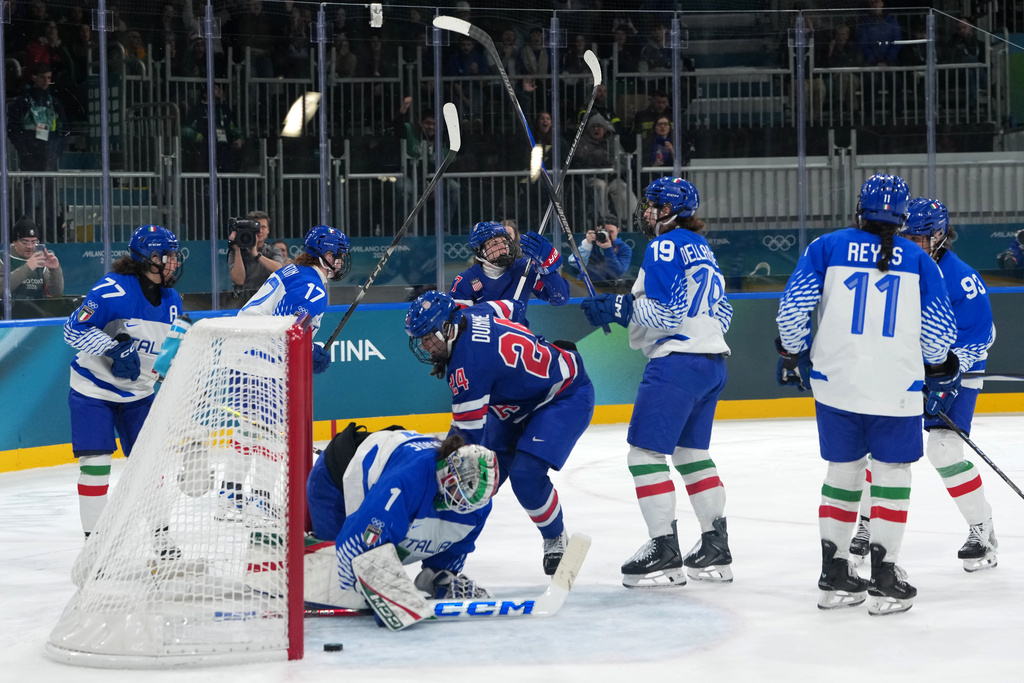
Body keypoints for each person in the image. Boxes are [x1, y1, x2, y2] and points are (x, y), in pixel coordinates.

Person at [775, 174, 958, 615]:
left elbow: (793, 309)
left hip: (835, 385)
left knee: (843, 472)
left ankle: (834, 575)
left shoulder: (827, 246)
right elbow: (938, 332)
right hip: (895, 387)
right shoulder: (919, 258)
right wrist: (939, 367)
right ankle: (885, 576)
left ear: (860, 207)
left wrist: (791, 352)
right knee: (892, 474)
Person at [579, 177, 734, 589]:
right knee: (690, 454)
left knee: (644, 456)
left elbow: (665, 316)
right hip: (712, 362)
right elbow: (725, 313)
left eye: (652, 205)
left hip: (677, 363)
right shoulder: (702, 248)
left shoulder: (665, 244)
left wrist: (619, 307)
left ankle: (664, 549)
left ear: (669, 211)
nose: (645, 212)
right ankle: (715, 546)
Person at [847, 198, 997, 572]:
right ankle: (868, 524)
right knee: (880, 450)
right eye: (906, 235)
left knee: (944, 451)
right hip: (908, 369)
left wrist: (946, 376)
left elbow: (980, 337)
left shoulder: (960, 277)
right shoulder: (898, 267)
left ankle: (984, 532)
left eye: (920, 237)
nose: (912, 243)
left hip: (958, 372)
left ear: (940, 235)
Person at [405, 290, 595, 575]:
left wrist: (432, 472)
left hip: (563, 394)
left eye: (430, 336)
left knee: (512, 476)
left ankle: (555, 537)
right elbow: (513, 307)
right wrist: (524, 355)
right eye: (421, 339)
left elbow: (464, 442)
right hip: (514, 405)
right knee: (474, 486)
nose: (426, 345)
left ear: (447, 327)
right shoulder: (474, 313)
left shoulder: (468, 367)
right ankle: (442, 565)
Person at [62, 225, 185, 541]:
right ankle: (95, 545)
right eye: (168, 256)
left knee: (151, 466)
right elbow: (72, 330)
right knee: (96, 463)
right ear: (149, 258)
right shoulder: (112, 289)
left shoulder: (172, 300)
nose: (174, 262)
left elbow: (168, 352)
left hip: (139, 395)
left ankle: (163, 540)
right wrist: (112, 347)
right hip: (93, 390)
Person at [303, 423, 499, 609]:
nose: (467, 504)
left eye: (476, 497)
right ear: (449, 474)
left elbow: (453, 550)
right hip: (335, 479)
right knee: (333, 589)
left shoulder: (478, 507)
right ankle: (301, 550)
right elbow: (357, 546)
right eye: (464, 490)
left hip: (393, 464)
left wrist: (440, 577)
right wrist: (384, 592)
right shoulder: (409, 481)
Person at [238, 224, 350, 376]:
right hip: (258, 364)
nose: (341, 263)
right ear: (328, 257)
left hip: (246, 355)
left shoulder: (296, 272)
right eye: (340, 257)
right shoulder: (312, 289)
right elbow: (287, 335)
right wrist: (311, 353)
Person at [449, 220, 569, 320]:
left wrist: (547, 269)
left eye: (504, 241)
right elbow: (459, 325)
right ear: (479, 250)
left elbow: (560, 299)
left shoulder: (524, 268)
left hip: (519, 342)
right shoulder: (466, 280)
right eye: (495, 243)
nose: (502, 246)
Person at [7, 63, 69, 231]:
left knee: (50, 197)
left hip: (49, 157)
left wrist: (56, 152)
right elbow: (13, 128)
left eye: (49, 78)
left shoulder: (54, 103)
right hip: (29, 156)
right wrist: (23, 151)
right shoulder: (23, 101)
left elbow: (64, 130)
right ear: (34, 77)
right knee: (29, 196)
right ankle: (27, 231)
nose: (46, 81)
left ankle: (49, 231)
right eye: (43, 77)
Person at [572, 113, 637, 224]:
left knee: (622, 187)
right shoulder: (582, 142)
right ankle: (603, 219)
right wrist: (595, 157)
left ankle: (630, 218)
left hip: (611, 177)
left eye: (599, 126)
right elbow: (579, 159)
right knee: (600, 186)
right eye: (593, 127)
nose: (596, 129)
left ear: (604, 128)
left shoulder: (613, 141)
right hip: (592, 178)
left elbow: (622, 161)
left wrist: (616, 169)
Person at [181, 82, 245, 172]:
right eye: (215, 88)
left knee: (227, 178)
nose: (218, 90)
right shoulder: (197, 110)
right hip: (205, 150)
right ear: (205, 94)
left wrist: (239, 138)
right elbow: (185, 130)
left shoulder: (225, 109)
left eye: (218, 88)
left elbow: (233, 128)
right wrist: (198, 137)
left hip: (225, 150)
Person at [227, 210, 285, 303]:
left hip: (268, 300)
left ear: (268, 230)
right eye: (256, 227)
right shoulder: (236, 251)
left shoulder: (273, 250)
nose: (260, 231)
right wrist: (237, 250)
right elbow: (239, 280)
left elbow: (280, 270)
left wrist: (256, 254)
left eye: (263, 227)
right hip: (243, 302)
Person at [2, 216, 63, 298]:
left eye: (34, 242)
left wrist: (55, 270)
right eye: (25, 242)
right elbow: (1, 290)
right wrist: (28, 267)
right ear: (14, 241)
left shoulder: (41, 260)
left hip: (36, 310)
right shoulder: (2, 259)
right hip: (9, 309)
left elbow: (55, 294)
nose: (30, 246)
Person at [572, 215, 632, 284]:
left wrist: (608, 249)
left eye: (611, 232)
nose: (608, 235)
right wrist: (586, 245)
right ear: (598, 229)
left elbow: (617, 274)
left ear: (618, 230)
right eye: (605, 231)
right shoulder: (589, 243)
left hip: (611, 288)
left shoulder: (624, 249)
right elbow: (575, 269)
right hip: (587, 286)